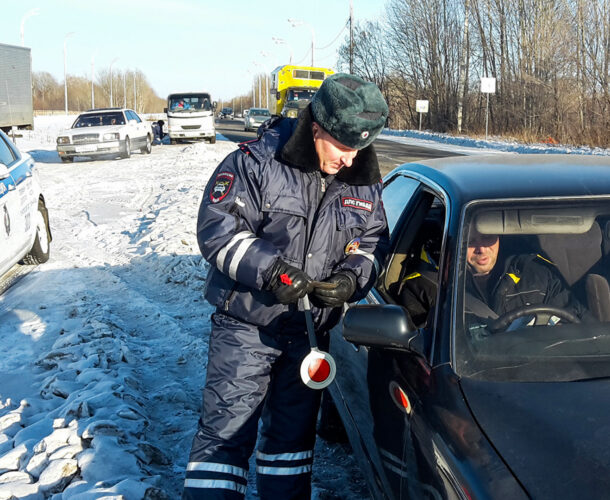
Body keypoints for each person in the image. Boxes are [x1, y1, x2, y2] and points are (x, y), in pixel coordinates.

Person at [183, 73, 390, 500]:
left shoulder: (364, 179)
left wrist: (352, 277)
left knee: (290, 451)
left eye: (359, 148)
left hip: (309, 336)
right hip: (246, 327)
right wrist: (272, 271)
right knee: (224, 442)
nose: (350, 160)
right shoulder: (257, 162)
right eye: (343, 147)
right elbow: (216, 232)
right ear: (316, 128)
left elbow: (372, 242)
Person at [465, 228, 589, 328]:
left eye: (487, 237)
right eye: (470, 241)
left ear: (498, 236)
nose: (481, 249)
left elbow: (574, 319)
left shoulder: (539, 276)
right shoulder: (452, 290)